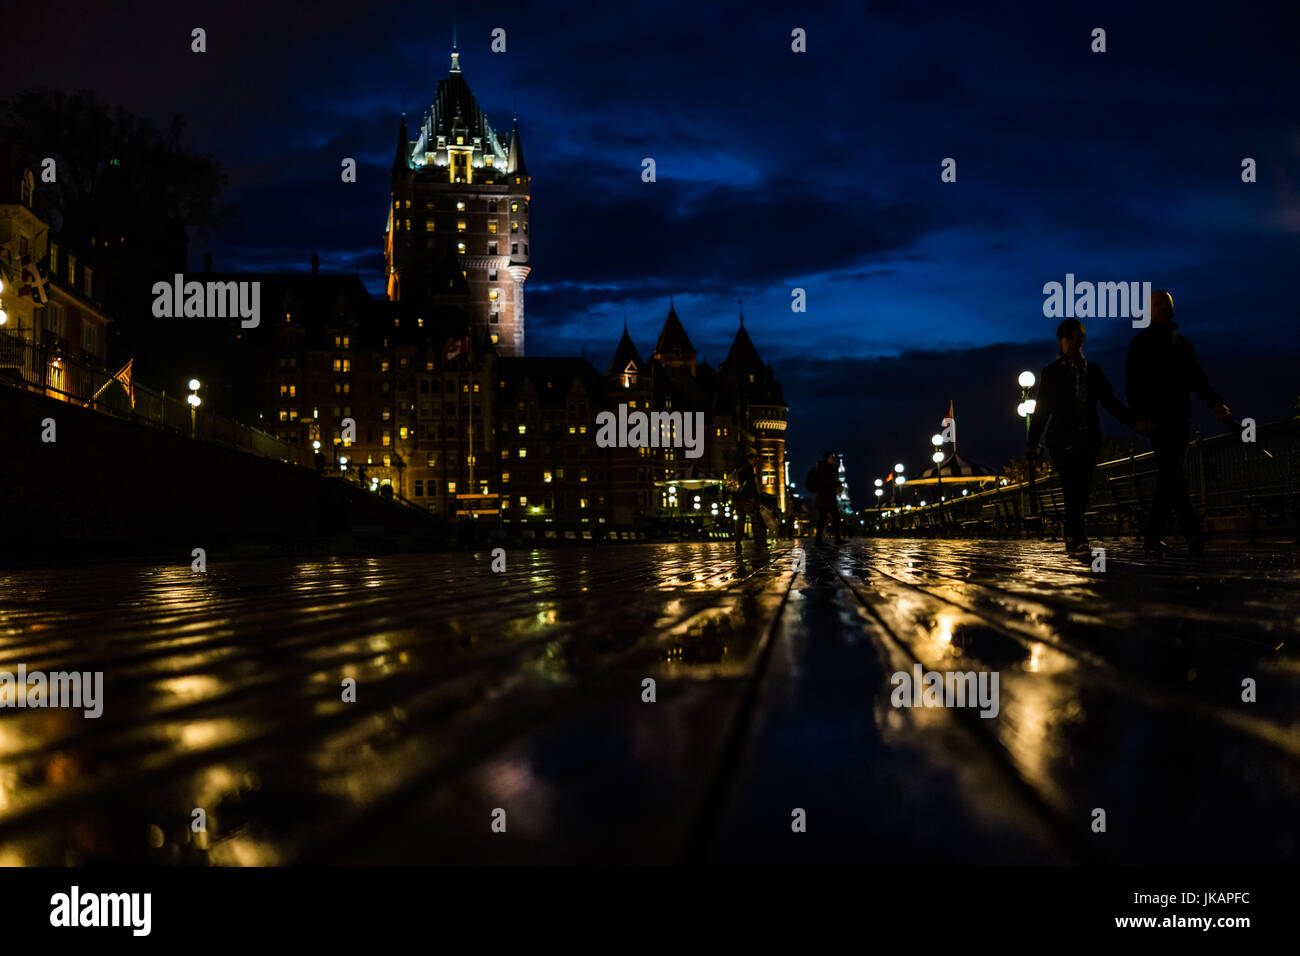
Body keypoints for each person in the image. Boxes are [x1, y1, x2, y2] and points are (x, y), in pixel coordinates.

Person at [1125, 290, 1232, 554]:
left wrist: (1215, 403)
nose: (1163, 308)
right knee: (1174, 473)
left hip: (1180, 419)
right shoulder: (1141, 343)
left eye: (1167, 304)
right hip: (1158, 421)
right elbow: (1133, 385)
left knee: (1168, 478)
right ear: (1149, 310)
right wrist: (1140, 417)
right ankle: (1192, 531)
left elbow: (1197, 378)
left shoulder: (1181, 344)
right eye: (1158, 304)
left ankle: (1151, 535)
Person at [1026, 318, 1134, 553]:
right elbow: (1042, 410)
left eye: (1078, 340)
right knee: (1071, 484)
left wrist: (1135, 423)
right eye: (1070, 339)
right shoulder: (1051, 373)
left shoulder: (1093, 371)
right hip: (1061, 438)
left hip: (1088, 437)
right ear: (1061, 341)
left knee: (1083, 485)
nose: (1074, 344)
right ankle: (1077, 535)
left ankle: (1072, 529)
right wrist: (1032, 442)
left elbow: (1110, 403)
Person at [732, 450, 767, 548]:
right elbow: (751, 486)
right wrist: (755, 498)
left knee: (740, 521)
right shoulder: (748, 469)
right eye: (755, 460)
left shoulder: (738, 468)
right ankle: (758, 541)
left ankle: (738, 542)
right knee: (755, 520)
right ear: (749, 459)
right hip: (748, 499)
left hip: (738, 499)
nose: (756, 462)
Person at [811, 451, 844, 545]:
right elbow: (826, 482)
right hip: (825, 498)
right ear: (827, 458)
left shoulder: (826, 468)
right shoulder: (825, 468)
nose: (834, 459)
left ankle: (821, 540)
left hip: (826, 497)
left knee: (825, 518)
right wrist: (837, 484)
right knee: (831, 517)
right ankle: (830, 539)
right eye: (832, 457)